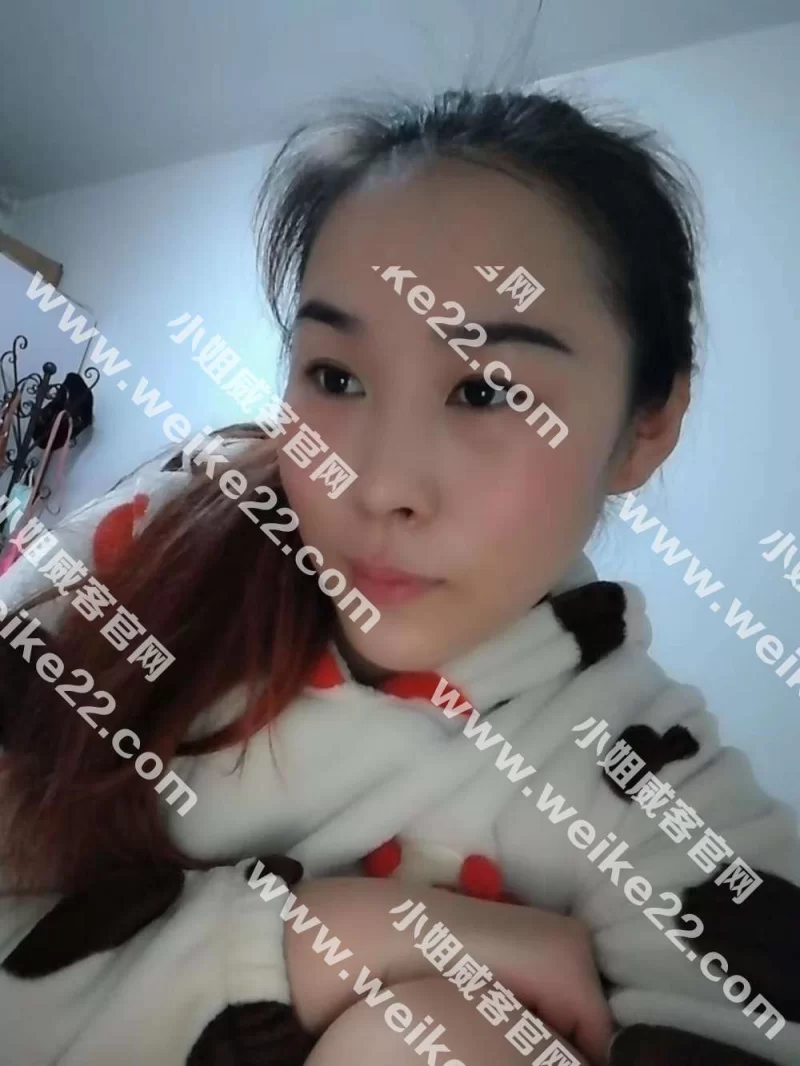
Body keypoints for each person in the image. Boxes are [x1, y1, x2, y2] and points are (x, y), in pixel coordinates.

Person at [1, 88, 798, 1066]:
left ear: (647, 426)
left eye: (484, 390)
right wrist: (340, 936)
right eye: (335, 377)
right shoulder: (170, 530)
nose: (376, 484)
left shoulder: (638, 771)